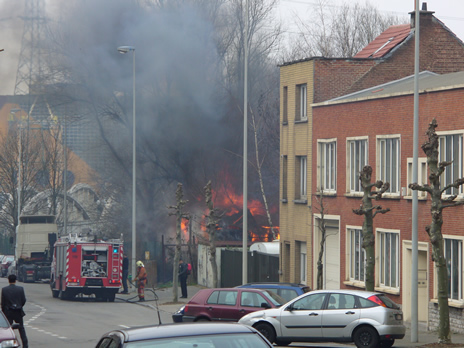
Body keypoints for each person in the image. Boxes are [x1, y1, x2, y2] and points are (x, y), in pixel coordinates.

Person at [1, 274, 28, 348]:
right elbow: (23, 300)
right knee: (21, 329)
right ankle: (25, 345)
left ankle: (9, 343)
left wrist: (4, 312)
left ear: (8, 280)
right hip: (18, 311)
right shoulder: (20, 289)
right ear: (15, 280)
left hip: (8, 312)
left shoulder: (4, 290)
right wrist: (19, 306)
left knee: (8, 329)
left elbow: (3, 303)